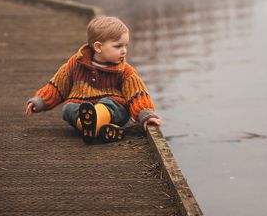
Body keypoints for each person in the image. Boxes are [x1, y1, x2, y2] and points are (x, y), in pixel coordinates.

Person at [23, 15, 162, 143]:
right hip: (81, 105)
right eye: (118, 46)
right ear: (98, 47)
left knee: (110, 104)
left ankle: (91, 126)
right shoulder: (75, 64)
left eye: (125, 45)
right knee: (68, 109)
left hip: (112, 108)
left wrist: (146, 114)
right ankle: (97, 130)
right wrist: (40, 100)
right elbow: (58, 85)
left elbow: (137, 93)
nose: (124, 51)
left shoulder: (125, 70)